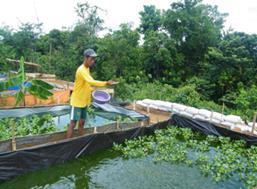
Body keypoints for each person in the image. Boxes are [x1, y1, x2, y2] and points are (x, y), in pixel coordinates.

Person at [67, 49, 115, 138]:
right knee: (73, 123)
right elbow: (91, 81)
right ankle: (66, 143)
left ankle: (81, 140)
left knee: (82, 122)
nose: (93, 61)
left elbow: (87, 83)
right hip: (77, 101)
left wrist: (92, 92)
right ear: (85, 58)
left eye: (94, 59)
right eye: (91, 59)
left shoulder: (87, 69)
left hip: (84, 101)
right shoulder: (81, 70)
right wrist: (105, 83)